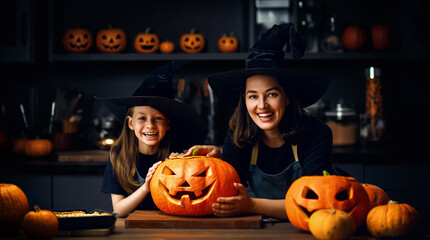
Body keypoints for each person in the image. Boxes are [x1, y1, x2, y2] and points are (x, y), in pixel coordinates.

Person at [180, 24, 339, 220]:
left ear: (287, 97)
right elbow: (228, 193)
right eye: (253, 96)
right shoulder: (238, 134)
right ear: (245, 100)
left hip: (311, 226)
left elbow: (316, 201)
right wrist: (216, 162)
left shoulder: (317, 133)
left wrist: (252, 205)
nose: (262, 105)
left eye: (271, 94)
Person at [97, 61, 207, 217]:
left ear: (167, 124)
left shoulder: (176, 154)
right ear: (131, 123)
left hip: (169, 226)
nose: (150, 125)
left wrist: (180, 166)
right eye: (142, 118)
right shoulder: (118, 157)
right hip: (133, 229)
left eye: (158, 119)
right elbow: (118, 210)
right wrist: (145, 188)